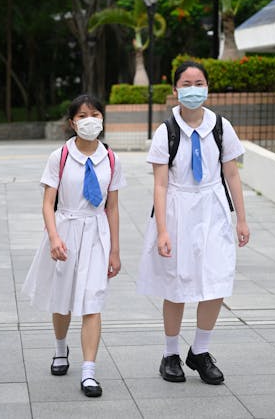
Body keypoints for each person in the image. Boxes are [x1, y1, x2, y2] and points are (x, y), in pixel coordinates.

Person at [137, 61, 250, 385]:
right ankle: (170, 353)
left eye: (199, 82)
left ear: (207, 88)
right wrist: (162, 230)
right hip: (177, 209)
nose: (193, 88)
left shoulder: (221, 127)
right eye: (186, 83)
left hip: (212, 209)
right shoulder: (166, 131)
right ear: (175, 90)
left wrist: (241, 219)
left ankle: (200, 351)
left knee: (216, 281)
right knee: (176, 283)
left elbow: (232, 173)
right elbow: (160, 184)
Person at [22, 94, 126, 398]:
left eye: (95, 114)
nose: (89, 120)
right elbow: (47, 202)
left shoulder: (112, 159)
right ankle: (59, 349)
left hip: (97, 232)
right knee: (63, 298)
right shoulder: (60, 156)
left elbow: (113, 208)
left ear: (103, 120)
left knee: (92, 300)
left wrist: (115, 250)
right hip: (66, 229)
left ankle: (89, 372)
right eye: (82, 116)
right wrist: (54, 237)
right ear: (72, 123)